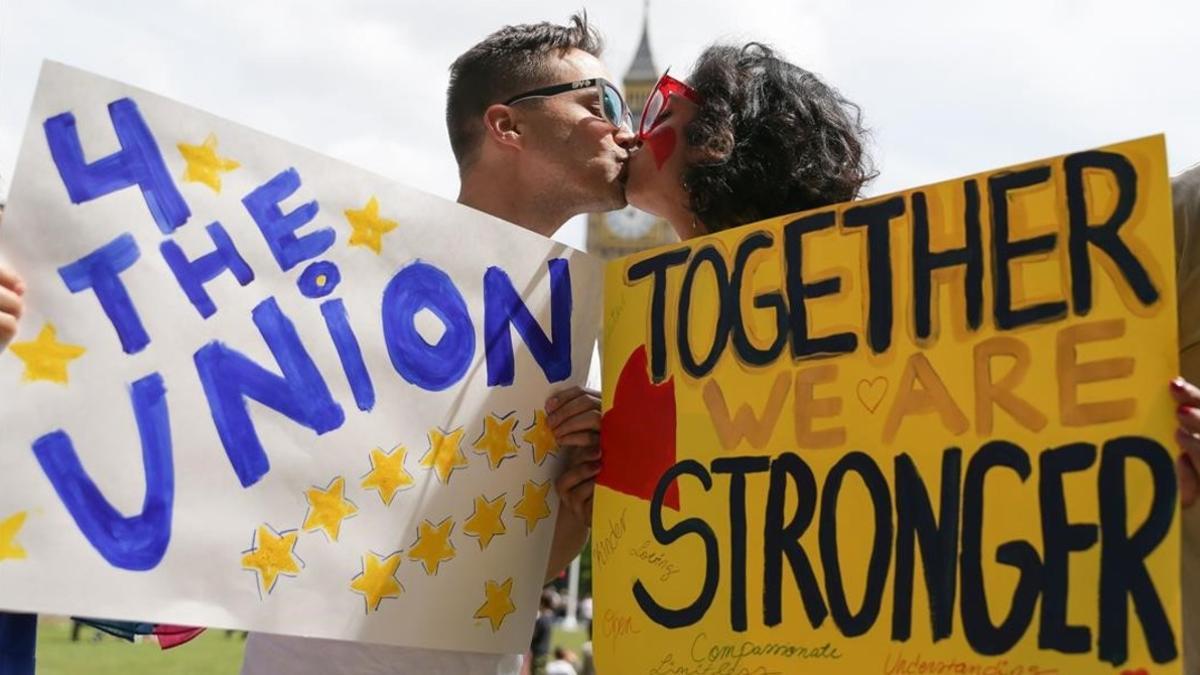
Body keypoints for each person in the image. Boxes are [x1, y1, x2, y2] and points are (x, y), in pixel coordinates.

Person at [239, 13, 624, 675]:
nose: (625, 129)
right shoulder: (349, 279)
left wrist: (578, 494)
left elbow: (530, 562)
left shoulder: (564, 326)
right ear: (509, 126)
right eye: (600, 103)